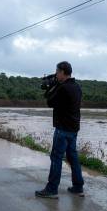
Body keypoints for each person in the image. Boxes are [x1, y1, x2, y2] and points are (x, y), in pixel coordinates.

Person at [35, 61, 84, 199]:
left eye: (57, 72)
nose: (56, 75)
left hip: (63, 128)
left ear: (62, 72)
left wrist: (52, 86)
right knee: (72, 157)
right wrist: (55, 85)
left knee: (56, 158)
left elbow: (50, 102)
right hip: (73, 129)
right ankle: (78, 187)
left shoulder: (63, 88)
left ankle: (51, 189)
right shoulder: (77, 87)